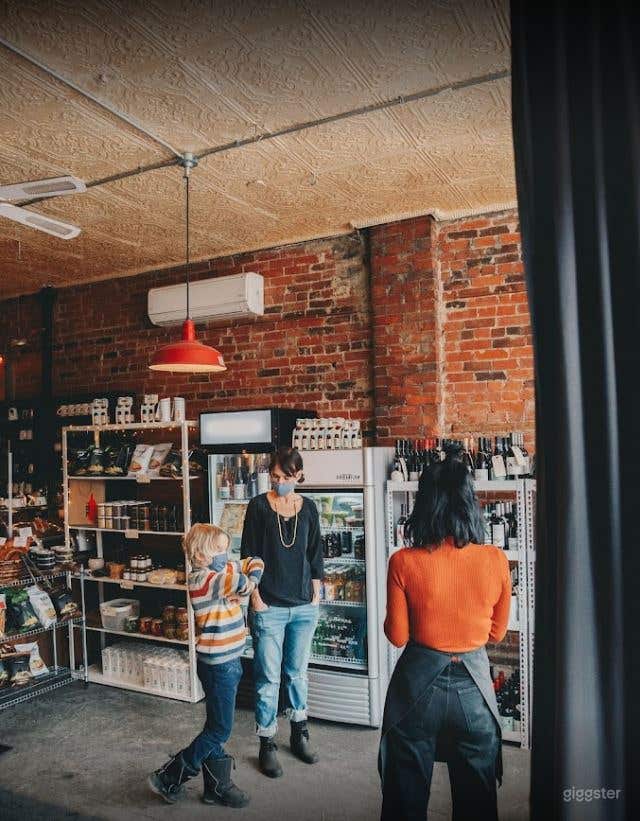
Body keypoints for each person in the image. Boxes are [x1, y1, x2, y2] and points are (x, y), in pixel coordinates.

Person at [379, 447, 511, 821]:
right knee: (477, 804)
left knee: (404, 801)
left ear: (424, 505)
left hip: (417, 691)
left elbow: (397, 636)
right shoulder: (495, 559)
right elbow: (497, 633)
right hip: (474, 692)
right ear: (470, 503)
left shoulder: (403, 561)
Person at [148, 523, 264, 807]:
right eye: (220, 549)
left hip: (226, 662)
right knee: (219, 730)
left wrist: (247, 580)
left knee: (215, 726)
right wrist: (247, 586)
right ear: (200, 556)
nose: (226, 554)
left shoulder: (219, 572)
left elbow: (256, 561)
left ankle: (216, 787)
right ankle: (169, 776)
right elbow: (244, 582)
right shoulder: (205, 579)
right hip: (219, 666)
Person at [240, 446, 323, 779]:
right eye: (274, 477)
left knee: (297, 673)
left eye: (284, 477)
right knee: (268, 678)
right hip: (269, 606)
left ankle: (299, 733)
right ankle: (267, 742)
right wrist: (255, 598)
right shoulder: (259, 506)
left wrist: (315, 594)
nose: (278, 482)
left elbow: (315, 554)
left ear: (298, 476)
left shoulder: (309, 508)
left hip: (303, 606)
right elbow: (248, 554)